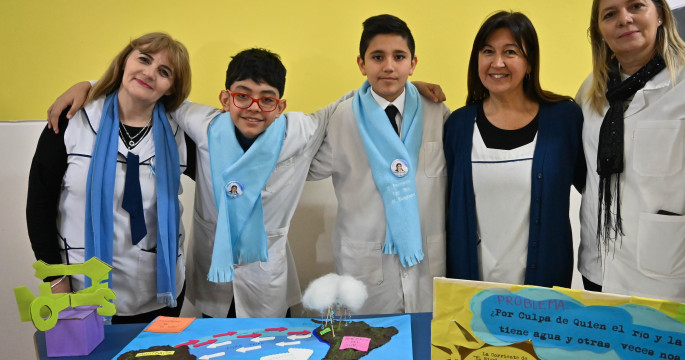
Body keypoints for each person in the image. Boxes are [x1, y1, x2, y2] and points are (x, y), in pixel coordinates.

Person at [46, 48, 444, 319]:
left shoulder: (299, 130)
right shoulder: (200, 125)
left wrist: (411, 86)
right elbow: (151, 90)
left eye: (267, 99)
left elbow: (355, 99)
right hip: (210, 279)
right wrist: (86, 86)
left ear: (282, 106)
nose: (254, 107)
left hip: (267, 280)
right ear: (224, 97)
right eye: (243, 96)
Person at [577, 0, 685, 308]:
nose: (624, 19)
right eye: (610, 14)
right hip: (598, 274)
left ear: (660, 15)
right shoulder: (591, 90)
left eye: (636, 6)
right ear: (599, 31)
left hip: (673, 281)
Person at [27, 32, 192, 323]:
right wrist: (55, 279)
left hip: (159, 295)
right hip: (80, 290)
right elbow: (39, 205)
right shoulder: (73, 120)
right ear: (125, 61)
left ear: (170, 89)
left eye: (164, 72)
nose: (149, 73)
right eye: (143, 59)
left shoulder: (180, 133)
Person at [308, 14, 451, 314]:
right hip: (366, 264)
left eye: (399, 57)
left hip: (427, 259)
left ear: (413, 64)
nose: (388, 66)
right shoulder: (343, 117)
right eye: (377, 57)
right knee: (370, 348)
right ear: (361, 64)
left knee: (425, 349)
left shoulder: (436, 112)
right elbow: (301, 168)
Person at [444, 11, 585, 287]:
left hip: (544, 290)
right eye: (488, 51)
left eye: (510, 52)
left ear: (530, 61)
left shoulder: (564, 119)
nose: (497, 63)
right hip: (471, 289)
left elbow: (592, 190)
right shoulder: (458, 125)